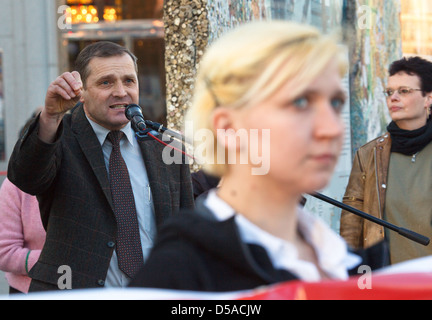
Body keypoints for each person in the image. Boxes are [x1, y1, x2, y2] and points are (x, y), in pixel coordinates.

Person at [129, 21, 386, 292]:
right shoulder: (180, 276)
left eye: (335, 102)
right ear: (228, 128)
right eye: (300, 102)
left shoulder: (345, 261)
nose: (332, 128)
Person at [7, 41, 194, 291]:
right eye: (106, 82)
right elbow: (26, 177)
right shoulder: (59, 138)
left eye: (129, 81)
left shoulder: (165, 146)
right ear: (81, 92)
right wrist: (50, 117)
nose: (120, 91)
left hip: (156, 292)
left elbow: (185, 231)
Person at [340, 56, 432, 264]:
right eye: (389, 92)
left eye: (404, 91)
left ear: (428, 98)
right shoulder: (369, 155)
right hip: (388, 281)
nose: (394, 98)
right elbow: (352, 221)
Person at [0, 178, 45, 294]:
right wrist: (56, 263)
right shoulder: (14, 185)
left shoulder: (88, 179)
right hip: (28, 290)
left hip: (87, 288)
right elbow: (5, 253)